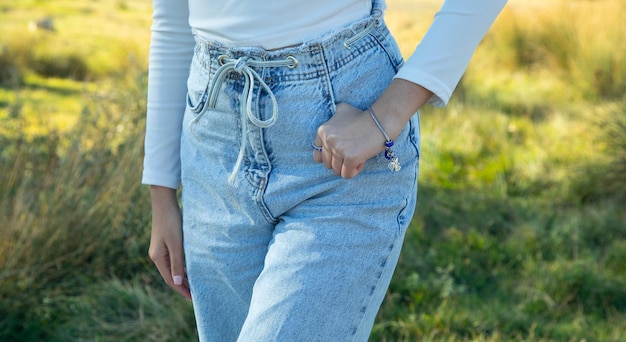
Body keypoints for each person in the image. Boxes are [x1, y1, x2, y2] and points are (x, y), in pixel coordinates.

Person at [143, 0, 507, 340]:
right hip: (213, 148)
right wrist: (161, 191)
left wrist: (387, 115)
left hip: (342, 144)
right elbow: (173, 21)